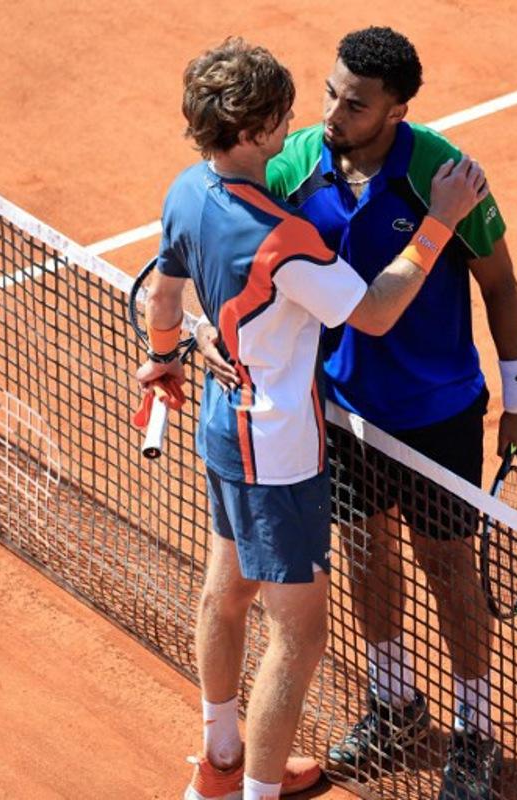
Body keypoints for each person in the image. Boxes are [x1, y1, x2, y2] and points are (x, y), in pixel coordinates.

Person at [135, 36, 488, 800]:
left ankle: (220, 758)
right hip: (280, 453)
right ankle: (250, 794)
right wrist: (443, 217)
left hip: (220, 425)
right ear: (259, 133)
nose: (309, 121)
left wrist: (170, 354)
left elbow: (161, 300)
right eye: (288, 115)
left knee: (224, 592)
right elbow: (379, 310)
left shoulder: (186, 190)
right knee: (298, 634)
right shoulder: (285, 241)